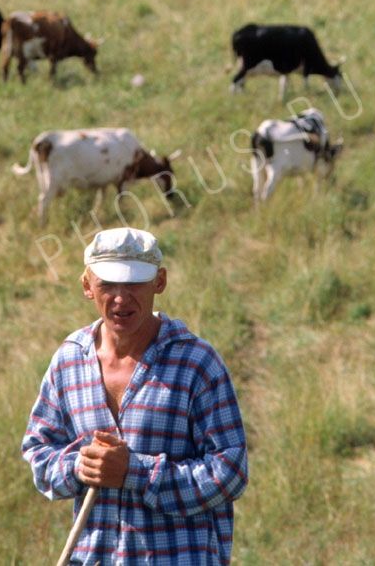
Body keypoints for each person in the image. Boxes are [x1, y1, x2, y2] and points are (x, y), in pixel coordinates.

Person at [22, 227, 248, 564]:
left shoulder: (197, 363)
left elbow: (231, 472)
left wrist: (135, 472)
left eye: (134, 283)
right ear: (87, 285)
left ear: (159, 282)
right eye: (107, 284)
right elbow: (39, 453)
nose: (121, 298)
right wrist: (81, 466)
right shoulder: (69, 361)